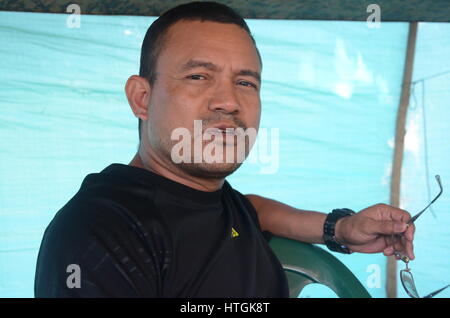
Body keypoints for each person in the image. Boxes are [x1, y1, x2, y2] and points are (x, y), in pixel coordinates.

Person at [34, 1, 415, 298]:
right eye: (198, 76)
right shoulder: (99, 234)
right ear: (142, 98)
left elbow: (253, 210)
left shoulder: (215, 200)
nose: (228, 102)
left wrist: (341, 228)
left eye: (245, 83)